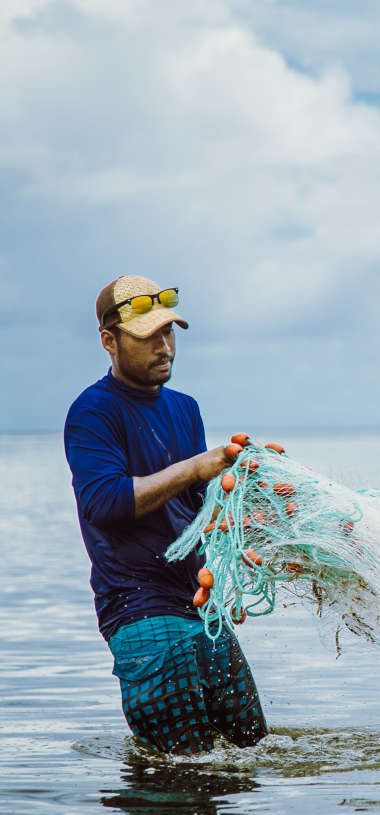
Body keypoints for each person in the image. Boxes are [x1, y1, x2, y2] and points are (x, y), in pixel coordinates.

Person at [64, 275, 268, 754]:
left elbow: (196, 507)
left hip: (199, 604)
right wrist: (197, 466)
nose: (164, 346)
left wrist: (245, 513)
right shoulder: (93, 411)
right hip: (139, 611)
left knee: (250, 750)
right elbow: (106, 502)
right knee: (181, 769)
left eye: (169, 333)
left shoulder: (184, 409)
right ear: (109, 342)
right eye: (147, 336)